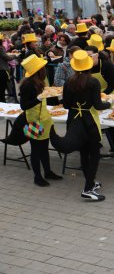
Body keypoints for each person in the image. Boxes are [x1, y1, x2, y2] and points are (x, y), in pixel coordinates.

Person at [62, 50, 111, 201]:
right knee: (94, 153)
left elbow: (65, 105)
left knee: (83, 152)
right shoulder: (93, 82)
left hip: (74, 119)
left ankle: (90, 182)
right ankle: (88, 188)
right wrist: (110, 103)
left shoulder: (69, 81)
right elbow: (98, 105)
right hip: (88, 121)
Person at [19, 54, 62, 186]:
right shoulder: (27, 85)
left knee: (44, 148)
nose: (45, 68)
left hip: (44, 119)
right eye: (42, 67)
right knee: (36, 150)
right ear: (38, 70)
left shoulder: (38, 81)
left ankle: (47, 171)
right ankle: (37, 176)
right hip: (34, 121)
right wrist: (38, 99)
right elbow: (24, 106)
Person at [0, 34, 18, 102]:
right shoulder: (1, 48)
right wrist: (15, 56)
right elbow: (6, 57)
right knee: (2, 88)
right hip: (2, 70)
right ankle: (3, 102)